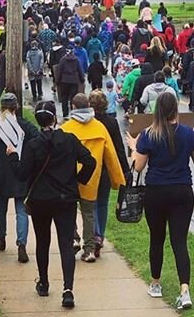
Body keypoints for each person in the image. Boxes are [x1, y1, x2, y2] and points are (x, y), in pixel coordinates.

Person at [8, 101, 96, 309]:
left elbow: (21, 174)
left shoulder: (33, 145)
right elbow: (90, 161)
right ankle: (68, 290)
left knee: (43, 241)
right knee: (66, 244)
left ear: (38, 121)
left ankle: (44, 282)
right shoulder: (69, 140)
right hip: (65, 198)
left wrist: (12, 156)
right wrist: (78, 180)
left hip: (40, 200)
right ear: (55, 118)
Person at [126, 92, 194, 310]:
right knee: (179, 241)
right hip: (182, 191)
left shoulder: (148, 135)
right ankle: (185, 290)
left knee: (157, 238)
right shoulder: (189, 133)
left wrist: (134, 147)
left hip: (156, 191)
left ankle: (155, 283)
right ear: (175, 110)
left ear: (157, 110)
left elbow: (138, 166)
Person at [61, 93, 125, 263]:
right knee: (89, 213)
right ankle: (89, 250)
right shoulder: (99, 128)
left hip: (69, 177)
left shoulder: (66, 128)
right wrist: (118, 179)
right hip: (92, 177)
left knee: (68, 210)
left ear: (73, 107)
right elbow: (111, 155)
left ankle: (73, 238)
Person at [0, 93, 39, 262]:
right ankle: (21, 244)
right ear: (16, 108)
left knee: (1, 208)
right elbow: (37, 141)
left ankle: (1, 237)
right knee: (22, 210)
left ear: (1, 108)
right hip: (20, 171)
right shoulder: (25, 127)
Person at [88, 89, 128, 258]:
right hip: (105, 168)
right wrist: (125, 169)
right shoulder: (111, 123)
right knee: (103, 204)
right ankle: (100, 235)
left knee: (91, 204)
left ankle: (95, 234)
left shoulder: (88, 122)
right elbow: (119, 148)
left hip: (89, 168)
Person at [56, 47, 84, 119]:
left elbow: (59, 71)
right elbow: (80, 70)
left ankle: (65, 114)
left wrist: (57, 81)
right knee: (73, 98)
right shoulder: (76, 60)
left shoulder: (63, 60)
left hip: (64, 81)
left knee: (64, 98)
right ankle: (73, 113)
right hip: (73, 81)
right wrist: (82, 79)